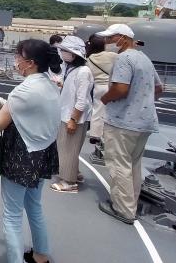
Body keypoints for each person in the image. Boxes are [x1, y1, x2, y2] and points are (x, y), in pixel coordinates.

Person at [0, 39, 60, 263]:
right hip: (42, 153)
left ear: (30, 63)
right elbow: (17, 108)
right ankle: (41, 255)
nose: (16, 61)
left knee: (12, 216)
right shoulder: (49, 84)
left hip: (21, 156)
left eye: (19, 57)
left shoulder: (24, 90)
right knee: (34, 206)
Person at [95, 24, 163, 224]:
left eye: (111, 38)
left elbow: (121, 89)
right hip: (144, 121)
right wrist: (141, 101)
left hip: (123, 122)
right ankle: (130, 204)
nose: (108, 42)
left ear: (123, 38)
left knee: (119, 165)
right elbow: (159, 88)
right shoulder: (144, 58)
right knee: (133, 165)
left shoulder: (123, 58)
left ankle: (123, 210)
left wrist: (105, 99)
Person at [50, 36, 93, 194]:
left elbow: (82, 100)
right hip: (67, 114)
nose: (62, 53)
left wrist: (73, 119)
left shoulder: (83, 72)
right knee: (69, 148)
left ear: (74, 54)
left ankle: (68, 182)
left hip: (73, 117)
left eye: (65, 51)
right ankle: (75, 174)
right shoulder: (72, 69)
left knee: (68, 149)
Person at [86, 34, 118, 162]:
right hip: (110, 86)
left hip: (98, 86)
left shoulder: (90, 58)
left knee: (97, 109)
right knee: (110, 111)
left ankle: (95, 134)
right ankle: (107, 133)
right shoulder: (111, 55)